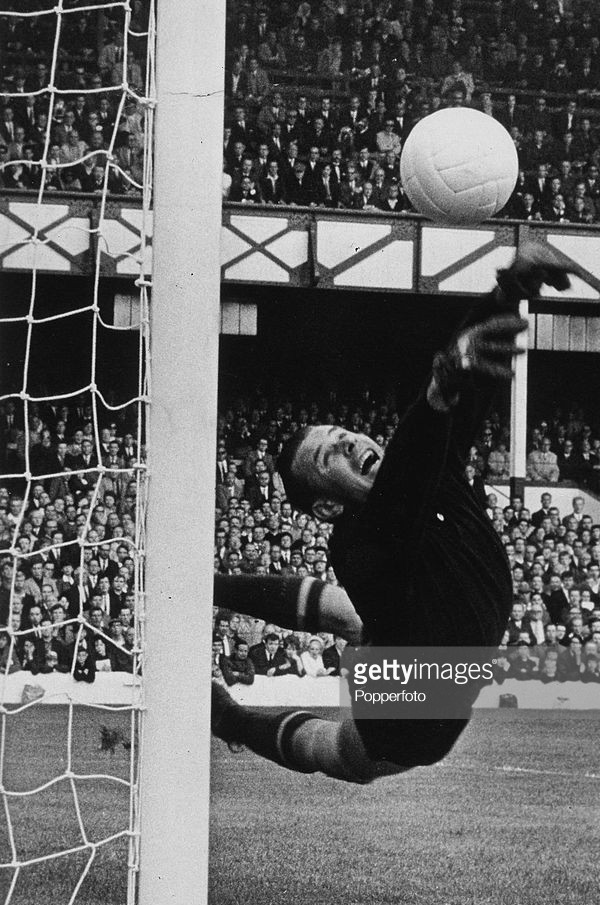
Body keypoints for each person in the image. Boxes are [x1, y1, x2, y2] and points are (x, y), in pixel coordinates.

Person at [211, 245, 576, 784]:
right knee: (345, 754)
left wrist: (507, 293)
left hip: (431, 651)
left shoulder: (434, 472)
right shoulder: (358, 543)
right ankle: (233, 719)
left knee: (354, 619)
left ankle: (207, 587)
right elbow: (412, 462)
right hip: (414, 706)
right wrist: (439, 389)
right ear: (328, 505)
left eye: (344, 434)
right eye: (327, 455)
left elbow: (463, 396)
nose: (349, 442)